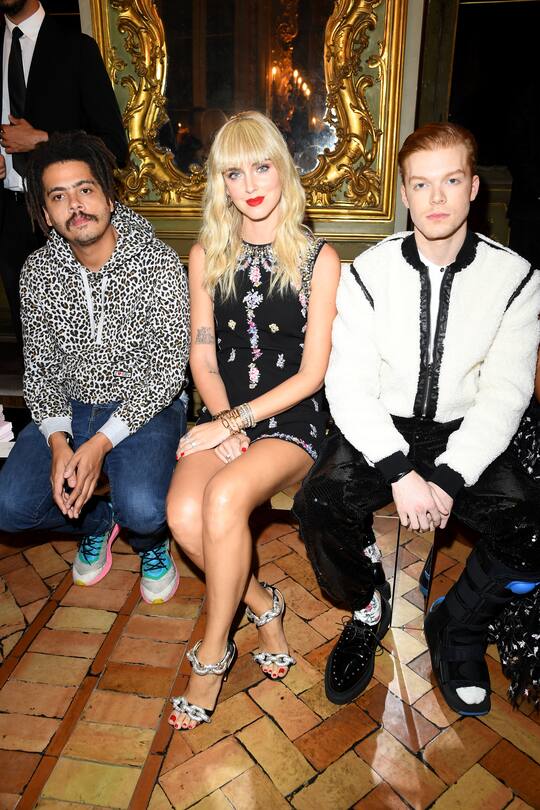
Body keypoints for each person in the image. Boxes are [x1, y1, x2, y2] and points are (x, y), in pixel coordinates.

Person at [293, 122, 540, 715]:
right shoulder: (367, 273)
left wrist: (451, 478)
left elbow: (505, 394)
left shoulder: (516, 277)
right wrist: (400, 471)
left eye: (451, 181)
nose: (436, 199)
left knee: (532, 525)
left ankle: (457, 627)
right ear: (405, 193)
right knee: (320, 505)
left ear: (474, 187)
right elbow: (347, 386)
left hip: (469, 430)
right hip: (382, 425)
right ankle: (367, 606)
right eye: (421, 184)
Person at [166, 110, 340, 730]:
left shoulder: (319, 258)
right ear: (220, 182)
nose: (251, 184)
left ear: (283, 169)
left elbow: (311, 374)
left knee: (221, 501)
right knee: (182, 514)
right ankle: (264, 605)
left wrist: (236, 421)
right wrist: (223, 421)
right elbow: (203, 353)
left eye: (262, 166)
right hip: (224, 415)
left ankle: (212, 655)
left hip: (294, 419)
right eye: (234, 172)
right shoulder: (206, 253)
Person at [0, 131, 189, 604]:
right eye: (58, 196)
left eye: (85, 190)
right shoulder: (37, 273)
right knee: (9, 508)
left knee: (144, 508)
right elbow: (40, 371)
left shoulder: (159, 262)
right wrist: (60, 444)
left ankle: (147, 539)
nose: (75, 206)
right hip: (70, 407)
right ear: (45, 213)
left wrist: (102, 444)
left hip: (146, 407)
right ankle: (102, 521)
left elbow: (165, 369)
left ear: (108, 194)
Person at [0, 0, 128, 360]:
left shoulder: (76, 48)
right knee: (34, 352)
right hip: (9, 219)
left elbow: (115, 146)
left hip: (69, 220)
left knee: (90, 343)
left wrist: (43, 140)